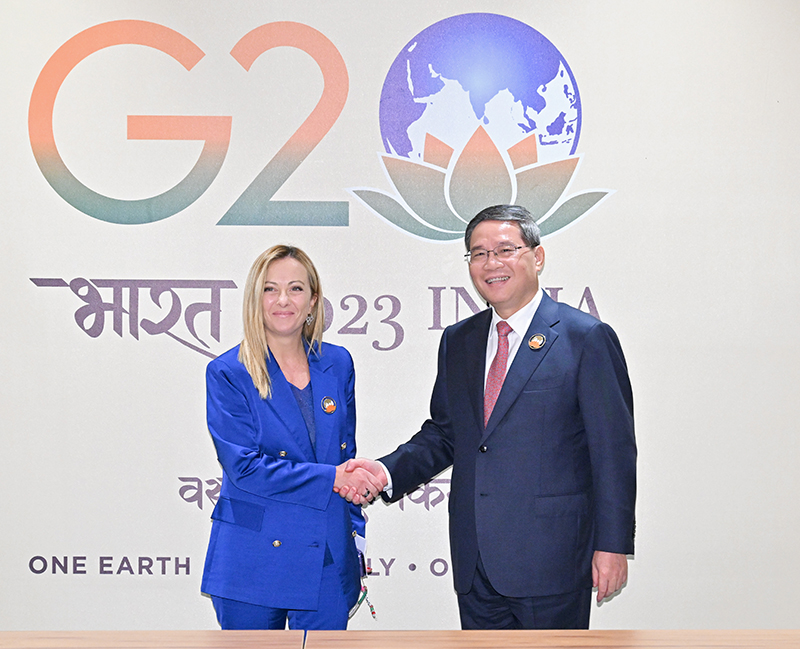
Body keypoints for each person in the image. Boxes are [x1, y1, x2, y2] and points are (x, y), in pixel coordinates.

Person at [340, 205, 636, 630]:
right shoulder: (459, 340)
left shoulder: (585, 337)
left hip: (551, 562)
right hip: (476, 561)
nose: (491, 263)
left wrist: (611, 545)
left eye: (504, 250)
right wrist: (384, 472)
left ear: (537, 257)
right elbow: (445, 434)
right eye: (478, 254)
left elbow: (614, 452)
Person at [201, 244, 383, 630]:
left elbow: (345, 453)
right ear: (255, 299)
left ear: (313, 301)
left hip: (328, 556)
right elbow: (244, 468)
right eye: (270, 289)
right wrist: (333, 478)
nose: (283, 300)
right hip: (254, 556)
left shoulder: (338, 362)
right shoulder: (228, 372)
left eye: (296, 289)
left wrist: (355, 535)